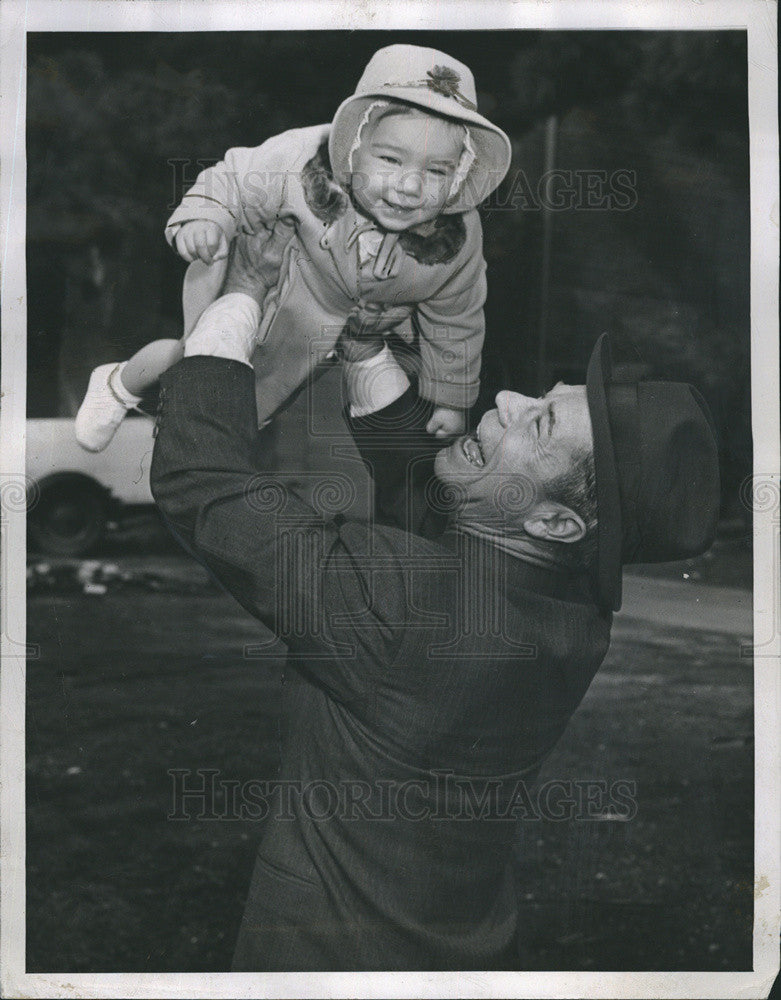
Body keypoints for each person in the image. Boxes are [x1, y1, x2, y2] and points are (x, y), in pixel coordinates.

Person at [149, 231, 720, 971]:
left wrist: (234, 305)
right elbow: (444, 500)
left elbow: (202, 478)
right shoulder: (569, 610)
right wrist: (363, 351)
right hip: (462, 954)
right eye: (538, 397)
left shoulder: (415, 607)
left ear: (555, 520)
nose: (508, 399)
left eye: (538, 423)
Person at [74, 43, 512, 452]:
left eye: (437, 171)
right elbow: (234, 178)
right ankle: (119, 383)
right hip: (266, 284)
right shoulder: (301, 158)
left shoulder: (456, 236)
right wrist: (206, 218)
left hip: (346, 324)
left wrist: (450, 398)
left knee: (272, 402)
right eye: (390, 160)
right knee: (198, 357)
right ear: (353, 147)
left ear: (460, 176)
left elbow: (458, 316)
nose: (411, 186)